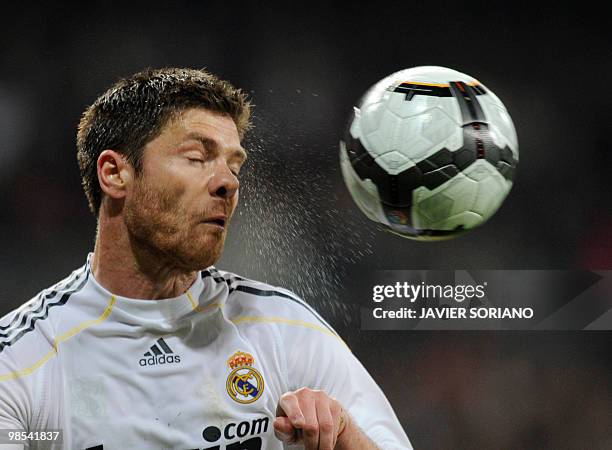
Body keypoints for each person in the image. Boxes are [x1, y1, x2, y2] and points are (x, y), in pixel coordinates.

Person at [0, 68, 412, 450]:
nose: (227, 184)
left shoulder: (283, 328)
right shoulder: (22, 361)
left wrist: (344, 436)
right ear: (114, 174)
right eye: (197, 158)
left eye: (234, 166)